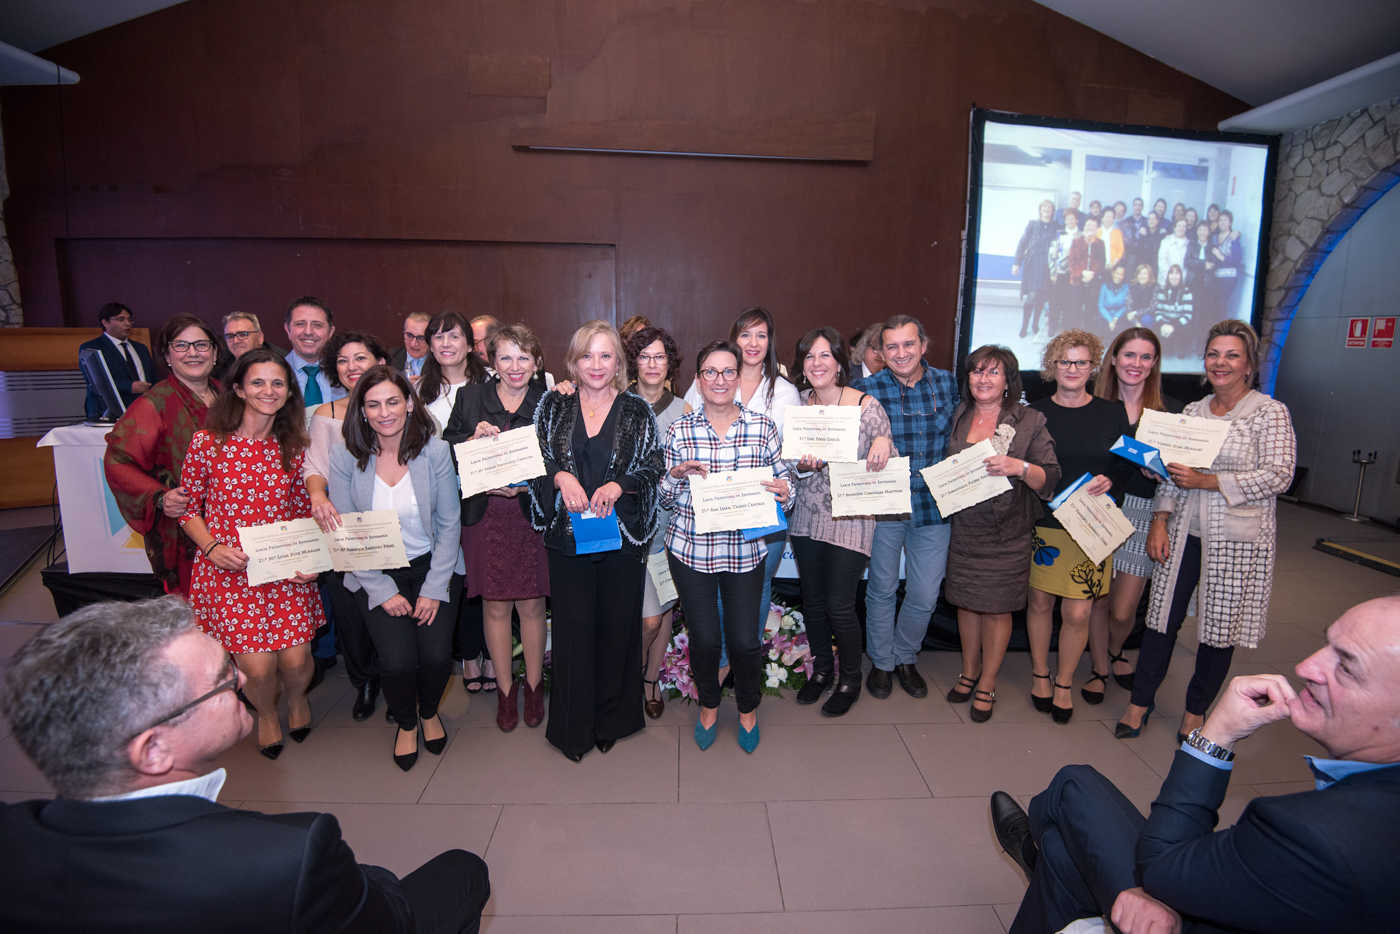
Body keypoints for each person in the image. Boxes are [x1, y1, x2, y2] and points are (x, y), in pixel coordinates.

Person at [0, 596, 490, 933]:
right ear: (153, 751)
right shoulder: (292, 855)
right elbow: (389, 920)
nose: (241, 678)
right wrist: (362, 877)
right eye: (221, 679)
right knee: (464, 871)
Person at [991, 595, 1400, 934]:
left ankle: (1033, 848)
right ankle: (1042, 853)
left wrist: (1216, 735)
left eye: (1347, 666)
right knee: (1064, 854)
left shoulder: (1314, 835)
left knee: (1074, 786)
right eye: (1327, 644)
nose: (1306, 666)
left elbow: (1161, 869)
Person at [1115, 320, 1295, 743]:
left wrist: (1210, 481)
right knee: (1160, 620)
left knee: (1218, 629)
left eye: (1232, 355)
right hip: (1181, 534)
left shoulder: (1268, 413)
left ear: (1249, 364)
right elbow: (1173, 474)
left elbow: (1280, 475)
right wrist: (1160, 519)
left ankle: (1195, 713)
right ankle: (1140, 702)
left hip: (1236, 539)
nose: (1220, 363)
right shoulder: (1192, 413)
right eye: (1213, 354)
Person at [176, 348, 322, 759]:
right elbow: (187, 508)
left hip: (285, 568)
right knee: (257, 667)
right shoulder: (208, 443)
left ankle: (297, 699)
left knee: (296, 661)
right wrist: (211, 547)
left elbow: (304, 510)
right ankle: (267, 714)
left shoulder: (295, 447)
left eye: (278, 383)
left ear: (289, 391)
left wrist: (310, 561)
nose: (268, 391)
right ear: (239, 389)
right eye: (257, 382)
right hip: (229, 569)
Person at [529, 321, 663, 761]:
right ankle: (573, 728)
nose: (596, 364)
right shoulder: (554, 404)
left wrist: (620, 485)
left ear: (619, 362)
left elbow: (653, 465)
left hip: (619, 539)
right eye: (587, 355)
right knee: (572, 632)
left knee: (617, 630)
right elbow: (536, 457)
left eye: (606, 355)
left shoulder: (637, 410)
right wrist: (559, 476)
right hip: (567, 540)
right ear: (573, 361)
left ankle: (612, 721)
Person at [330, 367, 464, 771]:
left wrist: (434, 587)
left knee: (437, 657)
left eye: (392, 401)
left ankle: (429, 712)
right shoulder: (345, 456)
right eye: (373, 405)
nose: (384, 412)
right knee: (398, 661)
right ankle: (406, 722)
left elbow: (449, 524)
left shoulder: (435, 452)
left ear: (408, 403)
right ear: (362, 410)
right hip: (374, 571)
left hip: (432, 567)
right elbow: (347, 529)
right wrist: (381, 589)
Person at [663, 340, 793, 752]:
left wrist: (784, 491)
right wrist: (677, 476)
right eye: (711, 372)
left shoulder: (762, 427)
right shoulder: (680, 430)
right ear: (698, 380)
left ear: (738, 378)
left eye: (728, 372)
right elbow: (664, 498)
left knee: (744, 640)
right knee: (704, 639)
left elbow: (786, 484)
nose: (719, 380)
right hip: (691, 552)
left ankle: (748, 709)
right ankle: (709, 704)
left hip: (745, 552)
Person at [683, 307, 800, 683]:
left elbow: (789, 459)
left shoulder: (785, 392)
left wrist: (788, 483)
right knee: (716, 590)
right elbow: (686, 434)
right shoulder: (708, 380)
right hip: (713, 509)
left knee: (757, 589)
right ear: (734, 340)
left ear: (770, 342)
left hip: (760, 512)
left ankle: (744, 661)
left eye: (761, 335)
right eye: (746, 334)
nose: (753, 343)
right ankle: (720, 663)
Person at [443, 324, 550, 730]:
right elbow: (448, 452)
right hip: (485, 516)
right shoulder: (470, 399)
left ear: (537, 362)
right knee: (495, 605)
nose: (515, 366)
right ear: (492, 361)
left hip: (530, 516)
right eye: (506, 357)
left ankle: (534, 685)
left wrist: (526, 486)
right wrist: (472, 439)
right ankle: (505, 689)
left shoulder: (549, 402)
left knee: (533, 605)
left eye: (524, 357)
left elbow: (562, 459)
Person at [943, 345, 1058, 723]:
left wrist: (1018, 466)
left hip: (1008, 533)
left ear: (1008, 381)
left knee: (996, 609)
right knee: (966, 603)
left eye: (993, 372)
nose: (983, 378)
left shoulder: (1029, 420)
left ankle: (988, 682)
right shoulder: (960, 414)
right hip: (965, 530)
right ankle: (969, 671)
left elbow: (1050, 477)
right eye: (977, 371)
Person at [787, 328, 894, 717]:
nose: (817, 363)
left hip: (850, 518)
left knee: (840, 604)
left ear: (839, 363)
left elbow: (888, 457)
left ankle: (850, 679)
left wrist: (883, 443)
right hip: (806, 518)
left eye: (824, 356)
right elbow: (788, 463)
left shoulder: (866, 406)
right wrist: (801, 465)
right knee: (813, 601)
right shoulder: (799, 405)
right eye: (809, 356)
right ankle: (821, 671)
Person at [1026, 330, 1131, 723]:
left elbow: (1125, 466)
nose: (1072, 369)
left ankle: (1065, 682)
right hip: (1045, 523)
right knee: (1040, 604)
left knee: (1078, 613)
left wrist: (1112, 480)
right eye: (1065, 361)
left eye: (1081, 362)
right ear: (1052, 366)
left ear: (1093, 367)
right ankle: (1040, 674)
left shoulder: (1113, 413)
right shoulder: (1034, 414)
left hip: (1092, 526)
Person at [852, 315, 958, 700]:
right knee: (881, 588)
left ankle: (905, 655)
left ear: (923, 346)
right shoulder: (865, 390)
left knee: (926, 593)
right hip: (884, 506)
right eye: (892, 346)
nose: (901, 353)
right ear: (881, 352)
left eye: (908, 344)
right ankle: (882, 662)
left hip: (933, 506)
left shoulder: (948, 383)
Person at [1087, 328, 1181, 698]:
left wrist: (1163, 472)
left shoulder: (1168, 412)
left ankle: (1115, 649)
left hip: (1144, 509)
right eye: (1129, 355)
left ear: (1154, 364)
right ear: (1113, 359)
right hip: (1098, 508)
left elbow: (1182, 469)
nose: (1136, 364)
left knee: (1124, 609)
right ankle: (1099, 667)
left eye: (1145, 357)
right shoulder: (1091, 406)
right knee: (1097, 597)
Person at [303, 330, 391, 721]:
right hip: (343, 527)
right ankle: (364, 681)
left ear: (380, 363)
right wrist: (318, 496)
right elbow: (314, 467)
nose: (352, 367)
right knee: (352, 613)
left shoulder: (398, 406)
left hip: (390, 526)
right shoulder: (325, 415)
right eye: (343, 360)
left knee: (391, 607)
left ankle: (397, 679)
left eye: (360, 358)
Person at [104, 314, 220, 595]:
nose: (193, 352)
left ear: (215, 353)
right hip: (187, 532)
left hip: (236, 521)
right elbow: (118, 460)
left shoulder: (230, 395)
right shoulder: (154, 403)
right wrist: (160, 496)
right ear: (168, 356)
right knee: (198, 609)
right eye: (181, 345)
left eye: (201, 345)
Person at [624, 325, 690, 719]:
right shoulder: (616, 403)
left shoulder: (685, 410)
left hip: (668, 525)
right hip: (621, 524)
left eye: (659, 357)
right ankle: (624, 677)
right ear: (634, 361)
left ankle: (649, 678)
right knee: (634, 611)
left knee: (659, 610)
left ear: (670, 363)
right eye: (644, 356)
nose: (652, 364)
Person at [80, 302, 154, 419]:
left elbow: (152, 376)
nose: (127, 323)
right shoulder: (91, 348)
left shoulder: (141, 348)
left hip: (143, 410)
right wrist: (129, 386)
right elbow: (95, 381)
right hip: (107, 413)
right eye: (121, 319)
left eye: (129, 320)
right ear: (105, 322)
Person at [421, 311, 488, 432]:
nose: (445, 344)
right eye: (439, 337)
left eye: (454, 337)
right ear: (431, 346)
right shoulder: (419, 389)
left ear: (470, 346)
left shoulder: (492, 380)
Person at [283, 296, 340, 416]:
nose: (308, 332)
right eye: (300, 324)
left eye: (317, 325)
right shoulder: (275, 373)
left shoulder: (344, 373)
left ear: (330, 332)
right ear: (288, 330)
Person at [1012, 199, 1057, 338]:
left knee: (1041, 297)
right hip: (1033, 265)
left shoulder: (1056, 226)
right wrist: (1016, 263)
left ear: (1052, 211)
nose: (1046, 210)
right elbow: (1022, 243)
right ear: (1040, 210)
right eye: (1044, 208)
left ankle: (1035, 324)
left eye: (1049, 208)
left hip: (1047, 266)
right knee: (1031, 296)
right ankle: (1024, 326)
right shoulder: (1032, 224)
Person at [213, 311, 286, 384]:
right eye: (230, 336)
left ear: (260, 337)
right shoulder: (221, 364)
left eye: (243, 334)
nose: (235, 341)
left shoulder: (282, 361)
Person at [1046, 208, 1081, 335]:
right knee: (1055, 301)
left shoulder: (1081, 235)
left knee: (1070, 302)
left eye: (1072, 218)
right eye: (1067, 219)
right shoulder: (1058, 234)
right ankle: (1052, 325)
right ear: (1065, 220)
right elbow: (1052, 254)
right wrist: (1053, 272)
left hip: (1074, 274)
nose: (1070, 221)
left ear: (1077, 220)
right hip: (1059, 273)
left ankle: (1067, 327)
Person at [1069, 216, 1106, 332]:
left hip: (1093, 281)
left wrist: (1092, 273)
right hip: (1077, 280)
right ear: (1084, 227)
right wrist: (1082, 273)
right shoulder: (1076, 242)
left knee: (1090, 311)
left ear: (1097, 229)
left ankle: (1088, 335)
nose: (1090, 228)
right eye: (1088, 225)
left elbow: (1101, 262)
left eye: (1093, 226)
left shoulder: (1100, 243)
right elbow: (1072, 262)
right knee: (1075, 310)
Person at [1206, 210, 1244, 321]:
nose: (1222, 222)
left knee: (1222, 304)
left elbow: (1236, 260)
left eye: (1225, 220)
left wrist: (1220, 256)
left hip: (1228, 277)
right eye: (1220, 220)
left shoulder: (1233, 237)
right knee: (1213, 304)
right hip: (1215, 276)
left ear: (1230, 223)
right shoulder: (1214, 237)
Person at [1152, 264, 1194, 355]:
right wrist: (1162, 324)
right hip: (1165, 322)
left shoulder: (1186, 291)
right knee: (1165, 351)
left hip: (1179, 323)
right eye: (1171, 273)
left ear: (1181, 276)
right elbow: (1158, 311)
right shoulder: (1162, 290)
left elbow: (1188, 315)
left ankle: (1179, 346)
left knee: (1186, 329)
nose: (1174, 276)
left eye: (1177, 273)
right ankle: (1167, 344)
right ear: (1168, 276)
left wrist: (1173, 326)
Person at [391, 310, 432, 383]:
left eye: (421, 338)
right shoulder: (390, 357)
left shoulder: (440, 362)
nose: (413, 344)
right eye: (409, 335)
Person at [1156, 218, 1189, 289]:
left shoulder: (1189, 244)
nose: (1181, 228)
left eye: (1184, 226)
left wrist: (1180, 279)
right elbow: (1162, 261)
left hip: (1182, 282)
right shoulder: (1165, 241)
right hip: (1165, 280)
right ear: (1174, 227)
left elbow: (1187, 265)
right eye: (1179, 226)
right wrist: (1171, 278)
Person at [1097, 263, 1130, 331]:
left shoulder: (1126, 288)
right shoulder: (1104, 286)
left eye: (1121, 274)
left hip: (1119, 317)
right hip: (1105, 316)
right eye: (1117, 273)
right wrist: (1110, 320)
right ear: (1113, 273)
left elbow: (1126, 306)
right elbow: (1101, 306)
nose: (1119, 276)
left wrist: (1116, 317)